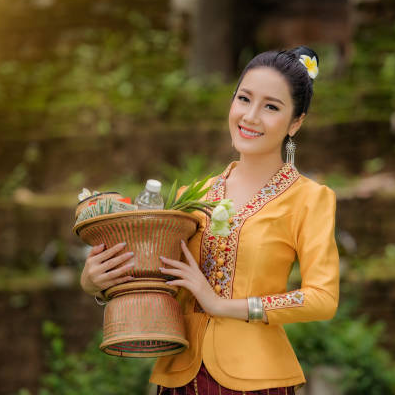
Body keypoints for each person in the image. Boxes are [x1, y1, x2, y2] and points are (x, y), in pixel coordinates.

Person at [80, 46, 339, 394]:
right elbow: (160, 280)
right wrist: (99, 284)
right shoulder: (193, 195)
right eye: (244, 99)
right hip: (180, 378)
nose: (251, 116)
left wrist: (222, 305)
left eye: (272, 107)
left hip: (257, 381)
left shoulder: (310, 199)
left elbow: (322, 298)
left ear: (296, 122)